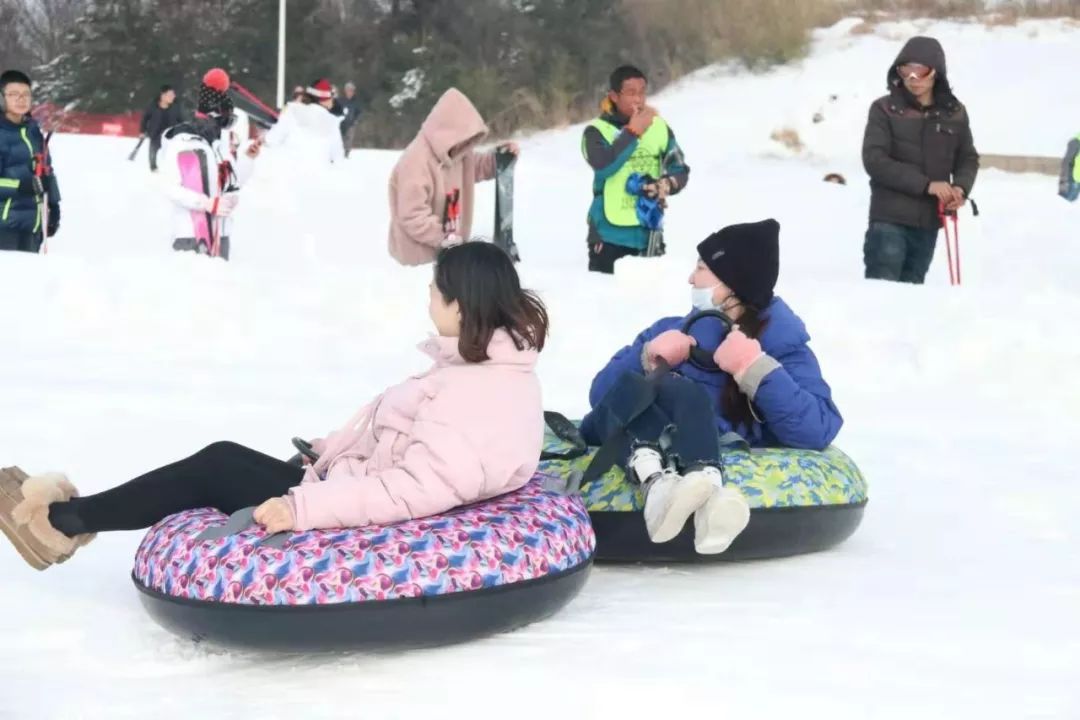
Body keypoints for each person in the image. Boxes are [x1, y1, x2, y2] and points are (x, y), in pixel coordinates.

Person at [0, 242, 549, 571]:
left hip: (346, 512)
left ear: (461, 302)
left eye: (435, 291)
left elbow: (412, 489)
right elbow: (412, 447)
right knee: (225, 460)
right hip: (341, 481)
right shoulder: (487, 367)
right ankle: (70, 519)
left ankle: (58, 525)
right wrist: (331, 452)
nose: (427, 300)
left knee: (215, 467)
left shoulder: (476, 391)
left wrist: (303, 507)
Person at [579, 219, 842, 554]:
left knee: (684, 394)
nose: (691, 278)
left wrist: (755, 370)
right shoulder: (671, 329)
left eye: (701, 268)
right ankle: (672, 489)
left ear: (732, 285)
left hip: (714, 443)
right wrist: (647, 358)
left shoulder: (782, 345)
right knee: (670, 388)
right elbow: (601, 397)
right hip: (636, 434)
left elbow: (817, 429)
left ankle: (708, 498)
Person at [862, 36, 979, 284]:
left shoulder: (954, 113)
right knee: (881, 298)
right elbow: (875, 160)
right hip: (888, 220)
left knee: (912, 299)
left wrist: (960, 187)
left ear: (936, 72)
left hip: (928, 223)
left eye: (920, 71)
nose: (913, 79)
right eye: (906, 70)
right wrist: (927, 185)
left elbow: (967, 157)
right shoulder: (883, 109)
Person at [388, 87, 518, 266]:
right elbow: (413, 216)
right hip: (418, 261)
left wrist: (500, 159)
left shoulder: (456, 153)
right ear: (448, 131)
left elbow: (477, 167)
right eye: (463, 138)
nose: (465, 145)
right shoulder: (415, 162)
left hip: (447, 255)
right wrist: (446, 238)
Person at [582, 65, 690, 274]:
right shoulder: (596, 131)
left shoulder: (659, 127)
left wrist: (666, 184)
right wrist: (633, 132)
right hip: (608, 235)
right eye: (631, 93)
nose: (638, 100)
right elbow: (604, 166)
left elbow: (680, 168)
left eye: (642, 92)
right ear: (613, 96)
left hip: (649, 232)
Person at [158, 68, 260, 260]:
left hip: (221, 235)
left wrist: (248, 158)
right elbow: (168, 186)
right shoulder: (183, 143)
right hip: (190, 235)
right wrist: (205, 203)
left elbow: (233, 184)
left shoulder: (220, 148)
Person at [0, 69, 60, 253]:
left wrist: (54, 206)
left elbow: (47, 172)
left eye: (26, 94)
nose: (21, 99)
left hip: (33, 227)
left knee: (28, 281)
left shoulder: (33, 131)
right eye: (14, 94)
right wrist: (21, 186)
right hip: (4, 227)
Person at [263, 78, 345, 165]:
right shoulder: (332, 122)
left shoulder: (291, 111)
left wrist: (273, 125)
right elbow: (338, 158)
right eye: (331, 97)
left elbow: (271, 139)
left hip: (288, 173)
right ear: (324, 100)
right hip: (318, 175)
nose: (333, 100)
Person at [139, 85, 181, 172]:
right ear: (163, 95)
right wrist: (142, 131)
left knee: (171, 155)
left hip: (171, 136)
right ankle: (153, 168)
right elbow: (145, 119)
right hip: (155, 134)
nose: (173, 97)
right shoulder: (152, 106)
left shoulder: (176, 107)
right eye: (170, 95)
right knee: (153, 153)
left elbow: (182, 121)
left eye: (173, 95)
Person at [338, 81, 362, 158]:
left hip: (351, 123)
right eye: (348, 90)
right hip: (341, 123)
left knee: (349, 140)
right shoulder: (340, 100)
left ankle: (346, 154)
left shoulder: (356, 101)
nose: (350, 92)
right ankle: (338, 154)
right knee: (340, 139)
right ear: (345, 91)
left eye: (351, 90)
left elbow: (359, 112)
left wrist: (356, 120)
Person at [1058, 133, 1079, 202]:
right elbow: (1066, 162)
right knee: (1066, 204)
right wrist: (1064, 182)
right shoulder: (1076, 142)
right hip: (1072, 181)